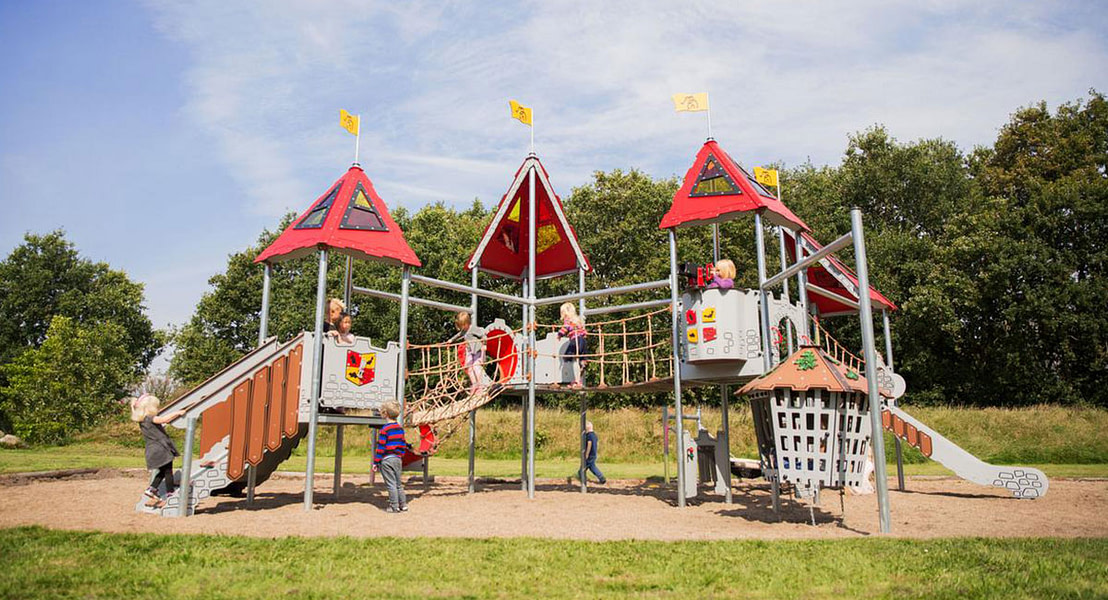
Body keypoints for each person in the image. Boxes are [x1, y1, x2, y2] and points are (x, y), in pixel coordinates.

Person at [130, 394, 185, 508]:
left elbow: (161, 422)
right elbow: (164, 419)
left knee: (163, 471)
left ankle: (152, 489)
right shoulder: (150, 418)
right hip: (161, 448)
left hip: (152, 449)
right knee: (168, 471)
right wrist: (177, 412)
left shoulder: (142, 419)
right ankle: (170, 493)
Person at [372, 401, 409, 513]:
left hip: (387, 459)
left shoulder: (384, 429)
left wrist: (376, 462)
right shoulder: (400, 428)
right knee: (398, 484)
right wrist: (401, 455)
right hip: (397, 458)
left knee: (391, 484)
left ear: (385, 413)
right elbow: (403, 444)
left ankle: (394, 506)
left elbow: (381, 447)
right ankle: (403, 504)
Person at [448, 311, 487, 395]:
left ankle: (481, 386)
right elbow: (458, 335)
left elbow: (483, 334)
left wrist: (484, 344)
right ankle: (475, 384)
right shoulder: (464, 330)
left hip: (477, 350)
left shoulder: (473, 328)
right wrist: (451, 340)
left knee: (476, 367)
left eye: (462, 325)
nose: (462, 328)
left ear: (467, 323)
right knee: (469, 368)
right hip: (469, 351)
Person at [557, 302, 587, 388]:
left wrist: (559, 335)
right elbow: (584, 331)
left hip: (575, 341)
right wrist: (584, 334)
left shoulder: (567, 319)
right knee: (580, 358)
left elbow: (565, 328)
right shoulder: (578, 320)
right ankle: (582, 366)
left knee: (569, 358)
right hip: (583, 341)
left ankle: (576, 381)